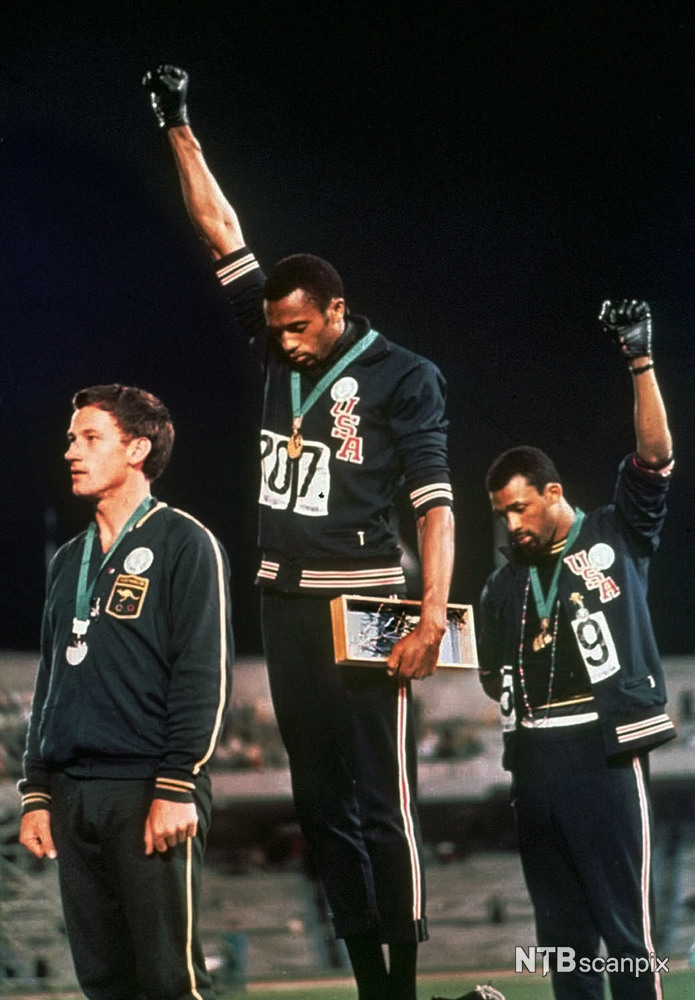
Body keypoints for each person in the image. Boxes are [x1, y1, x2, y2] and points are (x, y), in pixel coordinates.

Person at [142, 65, 455, 1000]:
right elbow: (222, 234)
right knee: (321, 808)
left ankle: (401, 980)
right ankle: (366, 981)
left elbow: (435, 503)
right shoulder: (275, 335)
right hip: (283, 602)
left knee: (381, 803)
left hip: (365, 604)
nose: (279, 343)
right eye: (272, 330)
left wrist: (431, 613)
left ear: (334, 311)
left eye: (295, 329)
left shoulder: (406, 377)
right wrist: (178, 125)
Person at [478, 300, 675, 1000]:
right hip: (531, 764)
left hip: (602, 752)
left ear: (552, 493)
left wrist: (639, 359)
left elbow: (653, 459)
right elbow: (485, 677)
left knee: (623, 936)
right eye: (500, 512)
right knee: (562, 945)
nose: (511, 523)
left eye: (519, 507)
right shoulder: (501, 587)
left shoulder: (612, 535)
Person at [18, 384, 233, 1000]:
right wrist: (36, 792)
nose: (71, 452)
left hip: (147, 790)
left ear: (137, 449)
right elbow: (50, 681)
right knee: (105, 982)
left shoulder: (185, 543)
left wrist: (176, 784)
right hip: (70, 793)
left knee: (171, 981)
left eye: (90, 438)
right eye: (70, 439)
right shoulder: (67, 562)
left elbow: (202, 675)